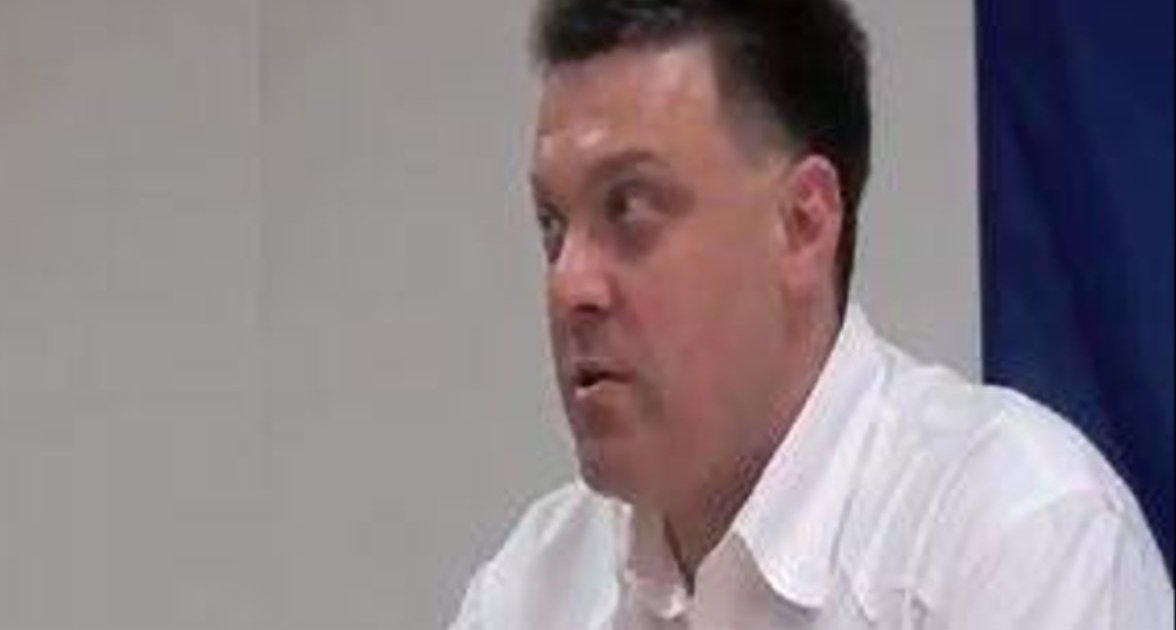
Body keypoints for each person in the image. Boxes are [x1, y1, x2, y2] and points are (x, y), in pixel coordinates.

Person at [448, 0, 1174, 628]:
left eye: (629, 208)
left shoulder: (1019, 532)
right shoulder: (533, 587)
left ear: (803, 223)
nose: (568, 284)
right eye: (552, 225)